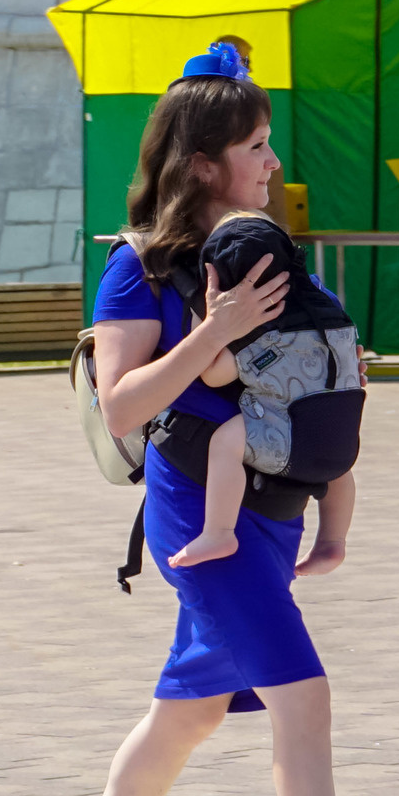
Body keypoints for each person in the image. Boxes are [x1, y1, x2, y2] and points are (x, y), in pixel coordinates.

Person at [48, 44, 399, 796]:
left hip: (271, 506)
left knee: (190, 712)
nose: (272, 161)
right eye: (256, 143)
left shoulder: (265, 256)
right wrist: (212, 330)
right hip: (193, 511)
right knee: (304, 695)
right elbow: (124, 405)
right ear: (203, 159)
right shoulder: (139, 269)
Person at [167, 208, 360, 568]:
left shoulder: (255, 330)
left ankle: (219, 532)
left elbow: (213, 376)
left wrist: (211, 322)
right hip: (341, 441)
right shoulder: (330, 308)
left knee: (224, 442)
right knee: (337, 472)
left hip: (287, 442)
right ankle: (333, 541)